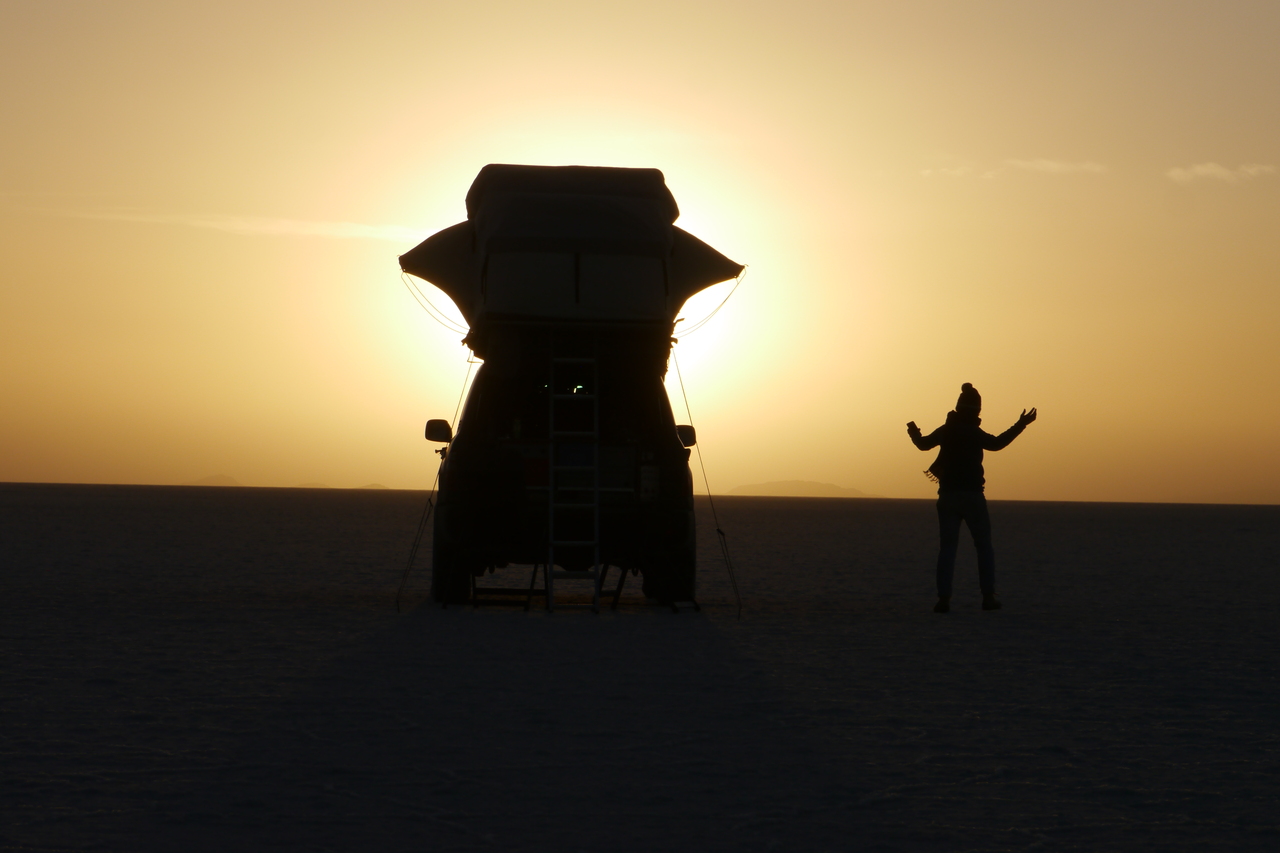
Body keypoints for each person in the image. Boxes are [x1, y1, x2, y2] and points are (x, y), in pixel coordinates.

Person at [907, 383, 1036, 613]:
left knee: (947, 549)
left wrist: (913, 430)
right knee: (984, 547)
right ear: (976, 411)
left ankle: (943, 600)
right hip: (973, 496)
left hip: (947, 496)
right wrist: (1021, 425)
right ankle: (988, 598)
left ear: (957, 407)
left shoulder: (947, 429)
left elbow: (922, 444)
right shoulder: (974, 433)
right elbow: (997, 444)